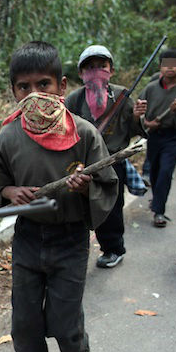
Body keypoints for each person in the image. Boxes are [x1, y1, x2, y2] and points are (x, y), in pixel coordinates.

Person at [0, 41, 117, 352]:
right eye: (23, 87)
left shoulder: (85, 134)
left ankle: (76, 347)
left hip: (71, 239)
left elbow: (107, 185)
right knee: (24, 323)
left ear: (61, 86)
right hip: (28, 238)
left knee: (62, 317)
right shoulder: (9, 137)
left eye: (43, 84)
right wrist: (11, 192)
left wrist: (86, 185)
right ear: (13, 91)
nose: (33, 94)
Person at [66, 45, 146, 268]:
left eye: (102, 66)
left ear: (111, 70)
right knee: (82, 207)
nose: (96, 72)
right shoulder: (74, 100)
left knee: (111, 207)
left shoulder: (122, 95)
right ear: (81, 73)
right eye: (90, 68)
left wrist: (138, 117)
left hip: (114, 161)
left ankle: (113, 248)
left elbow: (133, 131)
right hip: (82, 165)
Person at [139, 49, 176, 227]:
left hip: (173, 137)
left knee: (166, 171)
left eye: (174, 64)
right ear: (160, 67)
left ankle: (159, 211)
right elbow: (138, 111)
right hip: (154, 136)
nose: (170, 68)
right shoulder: (150, 88)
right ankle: (157, 199)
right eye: (166, 64)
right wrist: (147, 123)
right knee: (155, 171)